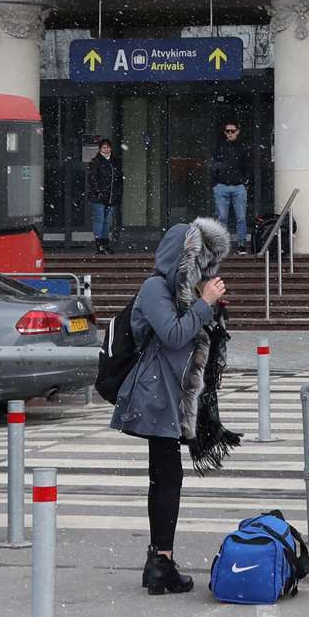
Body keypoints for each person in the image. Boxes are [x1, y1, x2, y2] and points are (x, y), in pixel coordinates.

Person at [111, 217, 232, 594]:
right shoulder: (154, 288)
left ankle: (159, 561)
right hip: (155, 395)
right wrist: (205, 304)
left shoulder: (178, 293)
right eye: (196, 263)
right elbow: (175, 335)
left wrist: (208, 307)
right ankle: (160, 561)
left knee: (164, 477)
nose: (201, 271)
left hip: (170, 394)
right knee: (167, 477)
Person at [208, 120, 254, 248]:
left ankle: (241, 244)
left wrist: (245, 182)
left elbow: (248, 166)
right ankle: (223, 244)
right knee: (222, 218)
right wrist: (215, 183)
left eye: (232, 131)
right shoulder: (219, 147)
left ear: (237, 132)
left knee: (241, 218)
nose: (230, 133)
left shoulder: (243, 148)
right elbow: (213, 166)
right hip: (222, 186)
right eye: (227, 131)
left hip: (238, 186)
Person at [85, 139, 122, 254]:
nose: (106, 149)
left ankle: (105, 243)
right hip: (99, 197)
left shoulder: (114, 162)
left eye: (108, 147)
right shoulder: (96, 162)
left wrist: (117, 194)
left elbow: (118, 180)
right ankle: (99, 243)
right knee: (99, 219)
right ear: (100, 149)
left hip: (111, 197)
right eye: (104, 147)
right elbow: (92, 179)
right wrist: (98, 192)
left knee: (107, 221)